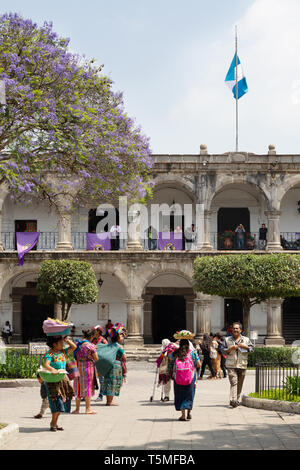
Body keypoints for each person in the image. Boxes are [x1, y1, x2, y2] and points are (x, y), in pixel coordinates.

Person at [43, 335, 76, 431]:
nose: (63, 344)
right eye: (61, 342)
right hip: (52, 381)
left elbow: (73, 347)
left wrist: (67, 340)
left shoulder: (62, 352)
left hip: (62, 379)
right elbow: (46, 365)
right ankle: (53, 423)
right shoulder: (50, 354)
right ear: (54, 344)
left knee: (61, 401)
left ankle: (55, 423)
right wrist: (52, 369)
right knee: (56, 401)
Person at [168, 331, 200, 421]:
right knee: (189, 394)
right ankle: (189, 413)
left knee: (180, 394)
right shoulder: (193, 353)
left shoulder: (176, 353)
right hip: (190, 377)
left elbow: (169, 358)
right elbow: (199, 364)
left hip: (178, 377)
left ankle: (182, 415)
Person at [223, 322, 254, 408]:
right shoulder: (227, 339)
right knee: (234, 382)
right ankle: (233, 399)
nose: (235, 330)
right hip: (231, 364)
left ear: (241, 330)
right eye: (234, 328)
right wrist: (230, 348)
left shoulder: (246, 340)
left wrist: (246, 347)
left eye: (237, 328)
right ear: (232, 330)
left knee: (240, 383)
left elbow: (252, 349)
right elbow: (223, 351)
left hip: (242, 364)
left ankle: (236, 399)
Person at [72, 329, 99, 414]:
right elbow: (96, 358)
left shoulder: (78, 345)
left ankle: (77, 409)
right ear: (91, 337)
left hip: (78, 366)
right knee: (88, 386)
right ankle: (88, 409)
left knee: (78, 386)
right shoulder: (90, 346)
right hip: (88, 368)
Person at [102, 324, 127, 406]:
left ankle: (108, 400)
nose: (122, 337)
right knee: (113, 382)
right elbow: (124, 357)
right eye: (121, 335)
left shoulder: (109, 344)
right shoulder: (119, 346)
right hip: (116, 365)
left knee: (108, 381)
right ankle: (110, 401)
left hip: (108, 364)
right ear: (117, 337)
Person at [91, 325, 108, 402]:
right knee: (91, 379)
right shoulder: (93, 340)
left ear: (99, 332)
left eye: (95, 331)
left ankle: (100, 395)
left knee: (101, 380)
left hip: (100, 362)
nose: (93, 332)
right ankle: (88, 395)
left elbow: (106, 351)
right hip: (92, 362)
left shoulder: (103, 341)